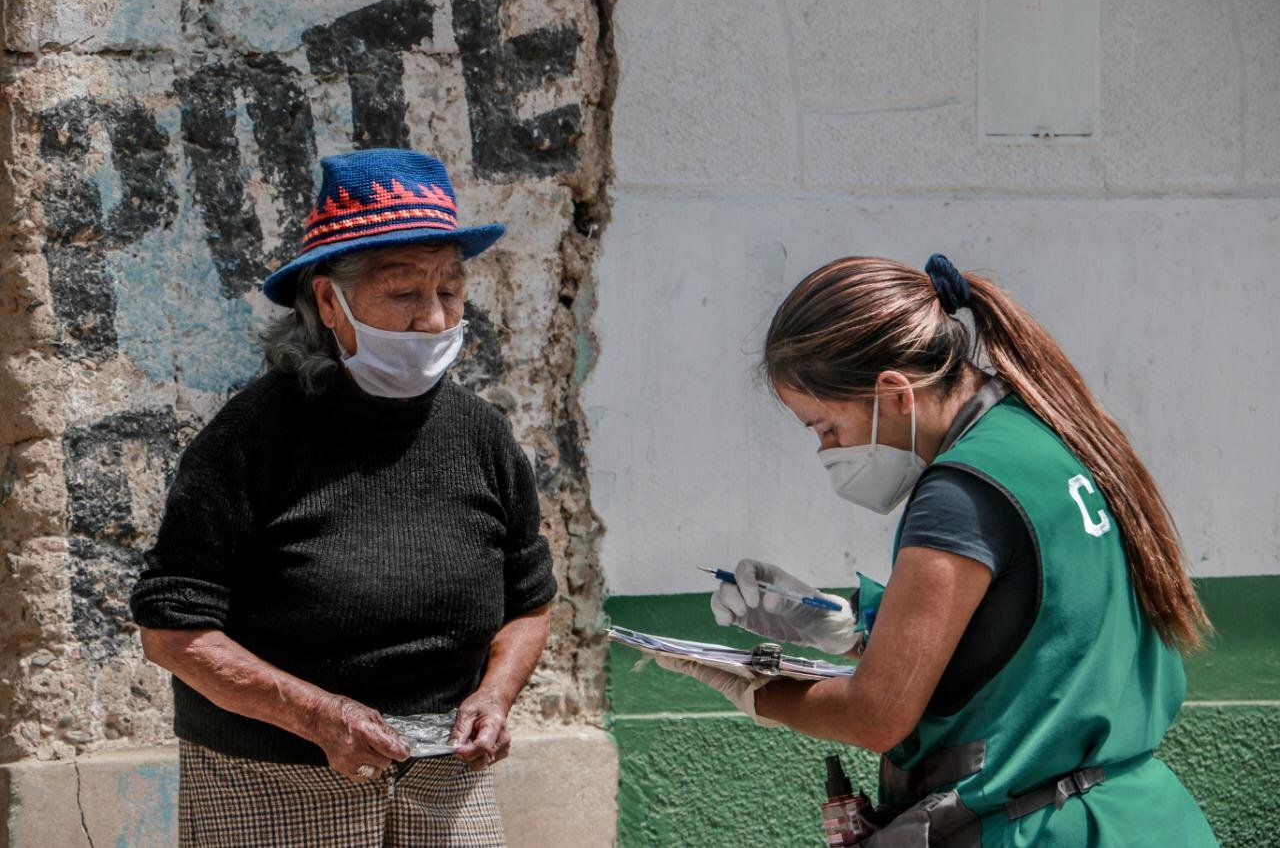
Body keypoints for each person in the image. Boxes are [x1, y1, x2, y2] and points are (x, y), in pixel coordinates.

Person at [656, 254, 1218, 846]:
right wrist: (847, 626)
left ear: (896, 393)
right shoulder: (1043, 430)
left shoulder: (958, 490)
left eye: (826, 428)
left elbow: (878, 714)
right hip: (1137, 816)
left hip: (1038, 830)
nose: (826, 450)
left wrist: (754, 689)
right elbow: (1028, 628)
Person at [130, 149, 556, 847]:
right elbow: (175, 633)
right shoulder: (250, 439)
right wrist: (317, 715)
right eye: (402, 293)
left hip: (446, 781)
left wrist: (493, 695)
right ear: (329, 300)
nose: (433, 317)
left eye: (450, 289)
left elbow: (528, 604)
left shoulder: (482, 435)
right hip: (274, 786)